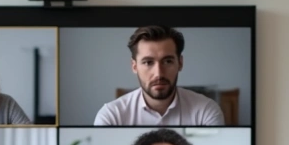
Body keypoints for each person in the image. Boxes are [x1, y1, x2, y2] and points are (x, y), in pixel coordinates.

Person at [93, 25, 225, 126]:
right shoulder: (111, 116)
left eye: (167, 61)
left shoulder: (206, 111)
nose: (159, 73)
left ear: (180, 63)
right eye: (148, 62)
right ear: (134, 66)